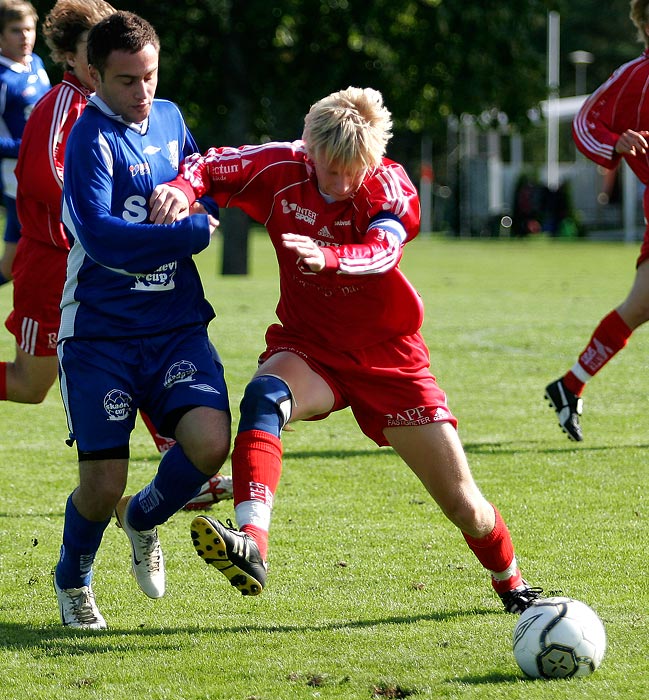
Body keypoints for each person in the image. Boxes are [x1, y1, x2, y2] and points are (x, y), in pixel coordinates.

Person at [151, 86, 543, 613]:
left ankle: (511, 584)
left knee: (463, 504)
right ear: (308, 148)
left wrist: (329, 259)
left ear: (373, 160)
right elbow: (210, 165)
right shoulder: (281, 167)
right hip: (310, 347)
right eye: (326, 168)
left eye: (350, 172)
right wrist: (181, 186)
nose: (337, 184)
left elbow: (382, 251)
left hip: (388, 358)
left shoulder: (391, 184)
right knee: (265, 396)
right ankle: (252, 543)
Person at [0, 0, 233, 481]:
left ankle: (191, 467)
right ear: (78, 58)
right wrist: (111, 201)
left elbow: (196, 167)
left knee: (144, 349)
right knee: (29, 384)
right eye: (96, 47)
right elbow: (46, 178)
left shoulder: (145, 113)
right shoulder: (68, 106)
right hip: (55, 263)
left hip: (107, 265)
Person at [53, 11, 232, 630]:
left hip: (175, 323)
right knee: (102, 483)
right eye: (127, 80)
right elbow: (102, 238)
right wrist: (187, 231)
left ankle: (145, 517)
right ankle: (74, 577)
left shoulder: (172, 118)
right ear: (95, 76)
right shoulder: (87, 141)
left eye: (150, 76)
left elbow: (202, 184)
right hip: (100, 334)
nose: (142, 92)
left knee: (210, 444)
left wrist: (189, 196)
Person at [545, 0, 649, 442]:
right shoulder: (634, 78)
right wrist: (616, 142)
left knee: (639, 307)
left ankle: (570, 385)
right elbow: (586, 122)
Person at [0, 0, 50, 285]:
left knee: (12, 263)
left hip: (46, 170)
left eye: (30, 29)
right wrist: (29, 146)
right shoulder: (2, 79)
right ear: (0, 36)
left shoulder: (37, 63)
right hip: (17, 179)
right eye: (16, 30)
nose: (26, 37)